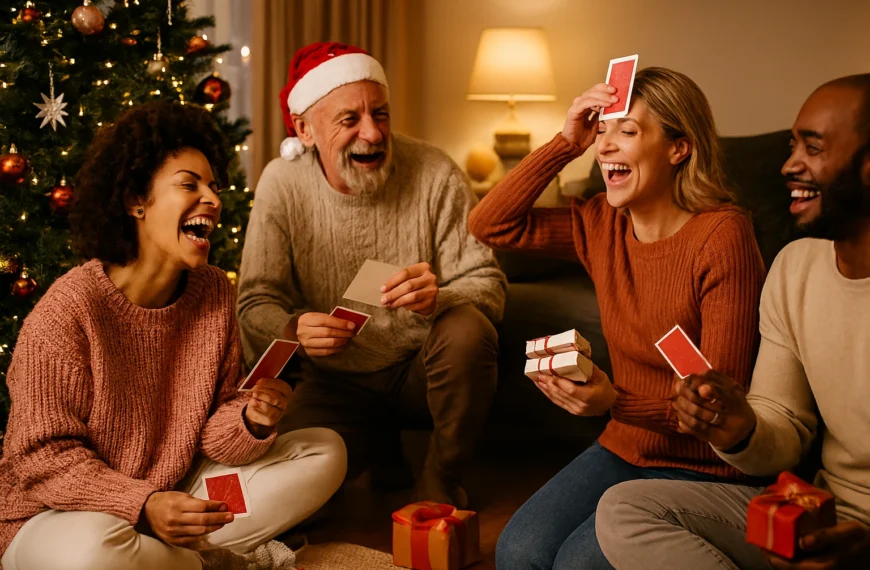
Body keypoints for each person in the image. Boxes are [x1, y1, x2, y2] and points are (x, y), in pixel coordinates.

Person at [0, 102, 347, 570]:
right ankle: (208, 561)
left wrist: (250, 420)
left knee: (324, 451)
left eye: (213, 186)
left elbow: (214, 431)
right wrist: (142, 506)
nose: (212, 199)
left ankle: (183, 554)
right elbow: (41, 458)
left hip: (177, 497)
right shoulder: (68, 312)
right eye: (189, 184)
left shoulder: (211, 294)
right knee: (93, 552)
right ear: (135, 201)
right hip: (60, 517)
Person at [468, 67, 766, 569]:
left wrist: (615, 401)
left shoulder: (722, 237)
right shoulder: (601, 223)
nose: (604, 146)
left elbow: (717, 406)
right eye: (601, 129)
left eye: (626, 130)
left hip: (707, 468)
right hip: (622, 447)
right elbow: (489, 223)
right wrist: (565, 143)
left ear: (679, 148)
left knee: (573, 566)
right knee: (517, 552)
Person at [596, 75, 870, 570]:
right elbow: (783, 426)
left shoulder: (722, 233)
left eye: (813, 147)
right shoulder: (794, 268)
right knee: (622, 510)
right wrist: (736, 427)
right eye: (792, 145)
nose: (789, 165)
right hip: (818, 518)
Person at [236, 42, 506, 508]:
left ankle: (442, 474)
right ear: (305, 129)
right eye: (350, 120)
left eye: (380, 114)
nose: (374, 133)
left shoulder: (435, 172)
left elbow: (490, 284)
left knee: (468, 330)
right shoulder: (282, 183)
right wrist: (294, 328)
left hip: (420, 369)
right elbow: (254, 302)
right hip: (333, 380)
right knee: (294, 504)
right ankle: (379, 446)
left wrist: (437, 297)